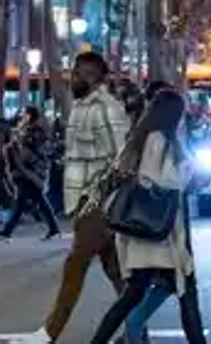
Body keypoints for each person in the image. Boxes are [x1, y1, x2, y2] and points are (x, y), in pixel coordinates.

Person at [17, 52, 131, 344]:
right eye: (76, 72)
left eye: (85, 74)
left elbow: (122, 159)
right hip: (87, 202)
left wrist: (97, 199)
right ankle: (138, 330)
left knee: (75, 266)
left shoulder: (107, 108)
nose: (76, 78)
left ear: (99, 78)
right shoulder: (83, 107)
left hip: (97, 204)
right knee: (117, 272)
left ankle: (48, 335)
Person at [87, 89, 206, 344]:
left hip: (151, 235)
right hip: (158, 235)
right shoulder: (158, 140)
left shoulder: (146, 137)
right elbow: (155, 181)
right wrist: (188, 172)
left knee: (138, 295)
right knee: (185, 293)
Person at [0, 106, 60, 240]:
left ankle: (7, 232)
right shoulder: (25, 129)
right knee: (31, 201)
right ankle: (54, 228)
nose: (22, 116)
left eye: (24, 113)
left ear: (30, 115)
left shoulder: (35, 130)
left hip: (32, 170)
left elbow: (32, 149)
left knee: (25, 202)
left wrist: (17, 145)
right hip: (26, 170)